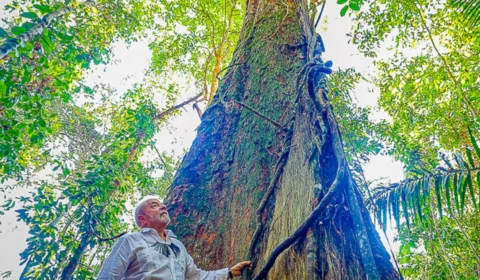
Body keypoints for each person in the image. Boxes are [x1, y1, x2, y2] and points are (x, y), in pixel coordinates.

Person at [97, 195, 251, 279]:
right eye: (154, 205)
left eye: (162, 205)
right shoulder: (130, 241)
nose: (163, 207)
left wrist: (229, 272)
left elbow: (196, 277)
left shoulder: (177, 246)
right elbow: (108, 276)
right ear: (142, 219)